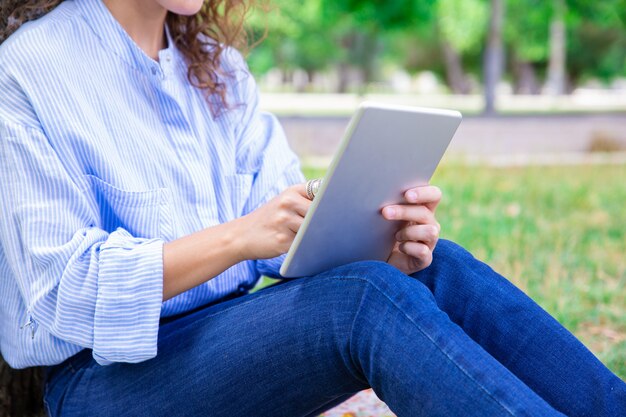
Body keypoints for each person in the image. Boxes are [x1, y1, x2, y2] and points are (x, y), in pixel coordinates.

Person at [0, 1, 623, 416]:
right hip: (105, 385)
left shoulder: (217, 69)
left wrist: (375, 238)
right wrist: (240, 237)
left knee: (436, 269)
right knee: (360, 302)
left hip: (224, 339)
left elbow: (287, 226)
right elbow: (59, 292)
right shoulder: (29, 70)